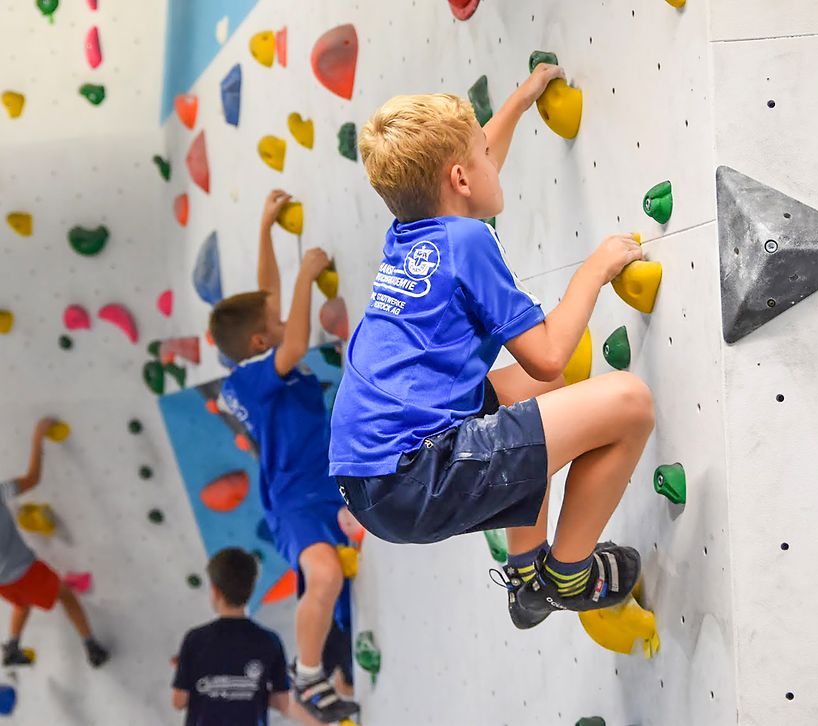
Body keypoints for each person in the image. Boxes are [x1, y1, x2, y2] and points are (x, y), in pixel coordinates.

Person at [329, 63, 656, 629]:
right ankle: (568, 576)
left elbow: (473, 172)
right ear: (460, 177)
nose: (490, 158)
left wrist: (521, 102)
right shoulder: (467, 240)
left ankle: (526, 573)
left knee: (544, 395)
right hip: (413, 475)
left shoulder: (414, 230)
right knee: (628, 402)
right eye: (482, 152)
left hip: (371, 472)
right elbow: (549, 351)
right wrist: (594, 271)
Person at [208, 191, 359, 722]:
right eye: (272, 322)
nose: (281, 321)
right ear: (257, 340)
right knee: (324, 576)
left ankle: (332, 673)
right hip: (295, 499)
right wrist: (307, 276)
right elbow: (292, 341)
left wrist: (266, 229)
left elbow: (262, 296)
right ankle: (306, 672)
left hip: (324, 488)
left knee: (339, 592)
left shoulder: (252, 363)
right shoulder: (247, 379)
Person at [0, 417, 109, 666]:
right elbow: (33, 478)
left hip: (3, 583)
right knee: (65, 595)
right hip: (24, 571)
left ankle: (12, 647)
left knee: (23, 601)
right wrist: (38, 438)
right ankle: (91, 646)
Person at [172, 548, 289, 725]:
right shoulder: (270, 641)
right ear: (252, 588)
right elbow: (282, 703)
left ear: (215, 591)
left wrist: (185, 673)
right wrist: (253, 690)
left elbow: (179, 702)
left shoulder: (195, 640)